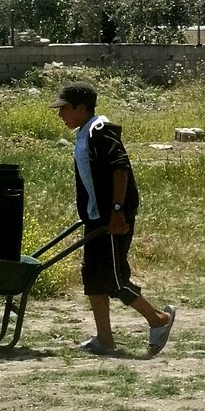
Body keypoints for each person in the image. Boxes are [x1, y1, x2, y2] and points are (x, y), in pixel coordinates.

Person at [50, 80, 176, 357]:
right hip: (97, 218)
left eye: (64, 109)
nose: (60, 115)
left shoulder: (100, 131)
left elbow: (120, 169)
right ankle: (104, 340)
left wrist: (117, 211)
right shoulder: (84, 133)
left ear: (81, 109)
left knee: (113, 279)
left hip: (112, 218)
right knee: (93, 278)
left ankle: (159, 320)